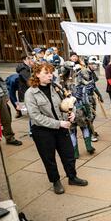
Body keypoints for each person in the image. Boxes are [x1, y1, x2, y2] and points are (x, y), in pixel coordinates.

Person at [25, 62, 88, 194]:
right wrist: (58, 123)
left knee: (69, 154)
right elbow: (35, 116)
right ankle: (56, 181)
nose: (50, 76)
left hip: (61, 127)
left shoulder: (56, 87)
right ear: (37, 74)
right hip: (43, 131)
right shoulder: (30, 93)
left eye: (51, 73)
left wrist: (71, 113)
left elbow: (65, 104)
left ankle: (72, 177)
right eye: (46, 73)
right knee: (49, 158)